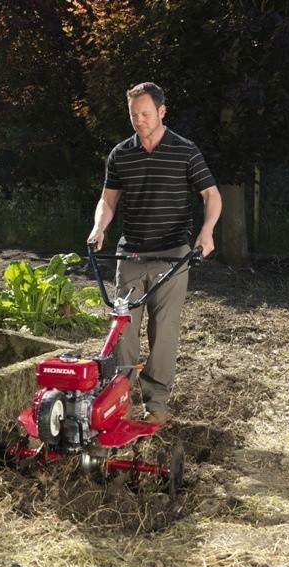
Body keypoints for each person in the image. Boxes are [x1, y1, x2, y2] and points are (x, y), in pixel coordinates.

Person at [87, 82, 222, 424]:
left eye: (146, 114)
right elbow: (108, 199)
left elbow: (211, 195)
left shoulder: (185, 150)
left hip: (173, 254)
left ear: (162, 111)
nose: (140, 121)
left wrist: (206, 233)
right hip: (130, 253)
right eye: (134, 115)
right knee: (123, 331)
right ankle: (119, 399)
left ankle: (156, 405)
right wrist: (99, 227)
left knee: (164, 331)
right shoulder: (121, 154)